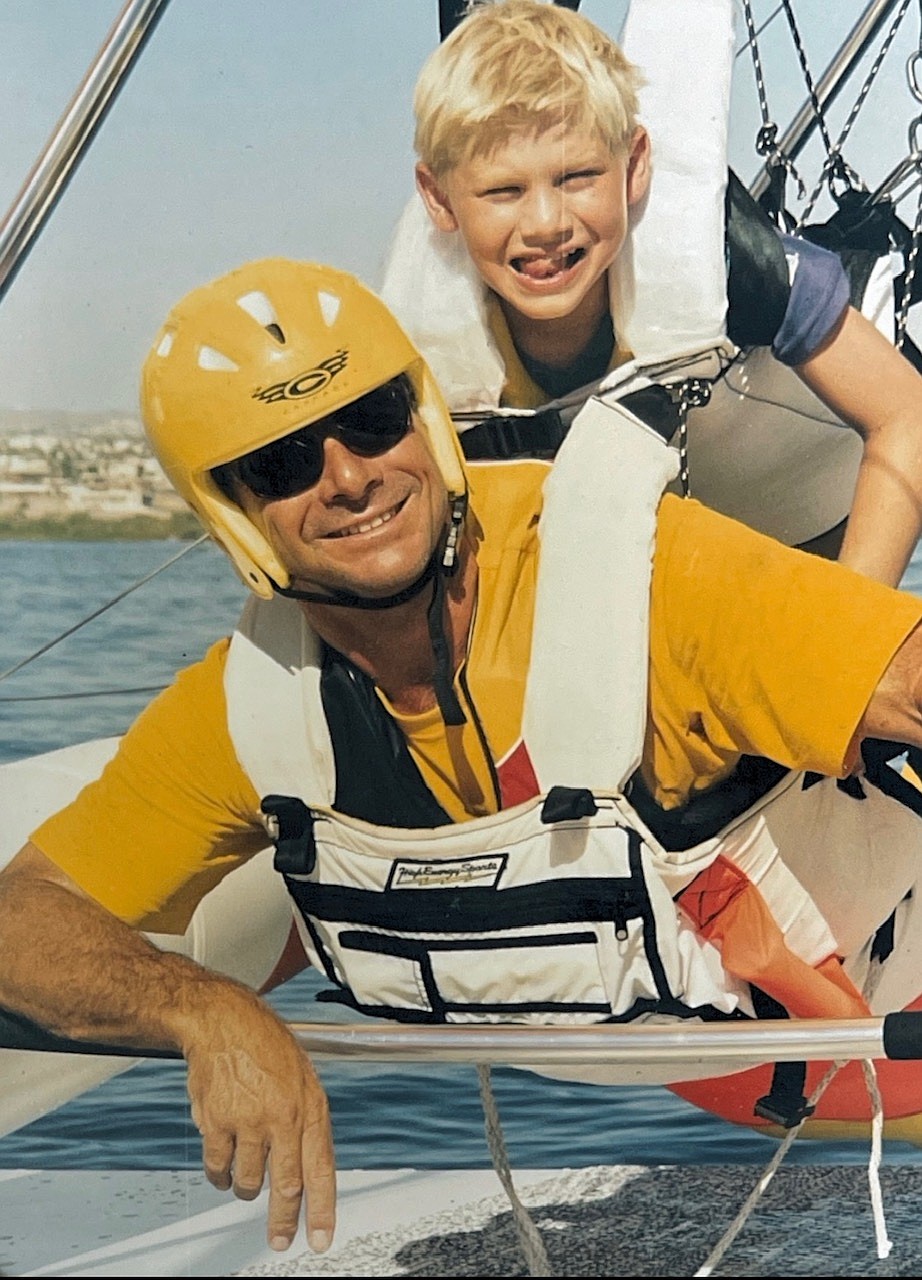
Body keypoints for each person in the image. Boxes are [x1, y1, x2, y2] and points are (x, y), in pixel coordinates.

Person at [3, 257, 922, 1254]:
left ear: (426, 418)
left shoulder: (645, 580)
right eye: (281, 462)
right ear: (231, 508)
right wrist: (201, 1007)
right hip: (722, 1067)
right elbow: (22, 916)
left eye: (373, 418)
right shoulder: (248, 709)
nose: (350, 475)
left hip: (881, 1011)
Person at [380, 0, 922, 588]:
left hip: (824, 502)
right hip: (678, 564)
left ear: (634, 164)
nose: (544, 224)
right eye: (503, 190)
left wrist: (850, 625)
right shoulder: (413, 340)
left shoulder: (730, 259)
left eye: (577, 176)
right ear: (438, 199)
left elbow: (908, 413)